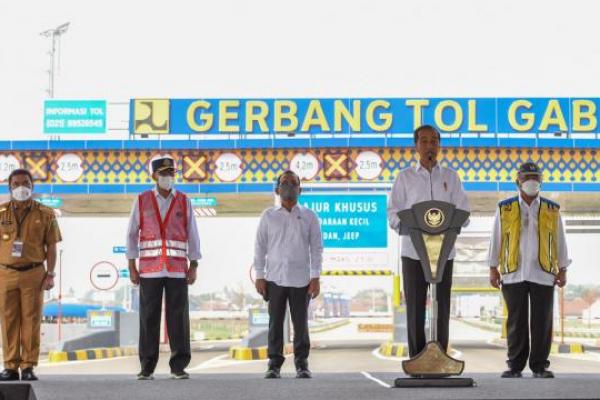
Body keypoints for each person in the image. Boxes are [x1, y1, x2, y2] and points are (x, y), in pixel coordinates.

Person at [387, 124, 470, 358]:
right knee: (415, 308)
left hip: (444, 253)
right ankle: (416, 360)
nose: (429, 146)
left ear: (439, 145)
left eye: (433, 141)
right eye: (423, 141)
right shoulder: (404, 178)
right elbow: (393, 213)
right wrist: (405, 227)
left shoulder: (451, 178)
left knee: (442, 307)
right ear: (416, 146)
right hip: (413, 252)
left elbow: (463, 212)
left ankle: (441, 358)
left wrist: (454, 224)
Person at [489, 161, 570, 378]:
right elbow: (496, 237)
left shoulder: (552, 209)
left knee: (542, 321)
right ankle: (515, 366)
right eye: (527, 178)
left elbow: (560, 239)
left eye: (535, 178)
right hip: (512, 271)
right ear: (518, 181)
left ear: (541, 182)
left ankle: (540, 366)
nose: (531, 182)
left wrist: (563, 268)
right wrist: (492, 268)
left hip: (543, 272)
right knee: (516, 321)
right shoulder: (505, 208)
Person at [126, 156, 201, 380]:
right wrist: (131, 265)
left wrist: (194, 264)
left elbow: (193, 234)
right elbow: (131, 234)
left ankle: (178, 365)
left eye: (171, 173)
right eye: (164, 173)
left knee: (178, 318)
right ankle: (147, 366)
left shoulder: (184, 201)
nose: (168, 177)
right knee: (149, 318)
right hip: (150, 270)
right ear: (154, 176)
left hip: (177, 269)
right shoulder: (141, 200)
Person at [253, 170, 323, 379]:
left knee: (300, 325)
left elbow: (316, 248)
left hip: (301, 279)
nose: (289, 187)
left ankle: (302, 364)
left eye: (293, 183)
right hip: (274, 278)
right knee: (275, 323)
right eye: (285, 183)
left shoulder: (310, 216)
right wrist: (259, 275)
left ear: (300, 189)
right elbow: (260, 247)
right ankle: (274, 365)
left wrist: (315, 277)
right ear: (277, 189)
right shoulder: (268, 216)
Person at [0, 169, 62, 381]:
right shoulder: (1, 211)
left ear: (32, 186)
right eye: (16, 184)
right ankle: (9, 366)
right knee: (8, 320)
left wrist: (51, 274)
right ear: (9, 187)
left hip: (34, 273)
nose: (21, 187)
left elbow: (52, 247)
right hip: (5, 273)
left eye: (25, 183)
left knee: (31, 320)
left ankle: (27, 366)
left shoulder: (45, 213)